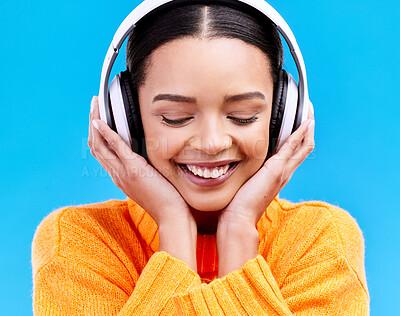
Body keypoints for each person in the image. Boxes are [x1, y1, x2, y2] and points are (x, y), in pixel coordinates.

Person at [31, 1, 369, 315]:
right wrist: (173, 228)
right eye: (176, 117)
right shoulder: (79, 241)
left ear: (283, 118)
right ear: (125, 119)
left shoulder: (322, 240)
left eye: (243, 115)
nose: (211, 143)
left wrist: (239, 231)